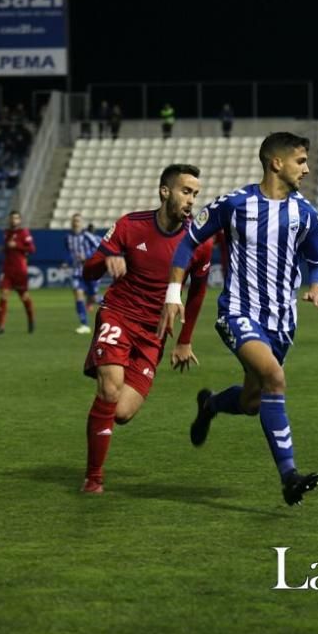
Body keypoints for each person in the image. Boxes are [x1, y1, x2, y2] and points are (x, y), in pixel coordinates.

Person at [157, 132, 318, 506]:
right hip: (238, 312)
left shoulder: (306, 213)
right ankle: (289, 476)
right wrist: (174, 293)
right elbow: (188, 242)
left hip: (283, 323)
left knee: (254, 401)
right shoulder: (235, 204)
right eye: (300, 161)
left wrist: (316, 287)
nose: (306, 168)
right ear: (276, 163)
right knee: (274, 377)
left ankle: (210, 406)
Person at [80, 164, 214, 494]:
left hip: (154, 333)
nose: (191, 200)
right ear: (164, 191)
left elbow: (198, 291)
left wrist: (184, 340)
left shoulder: (199, 242)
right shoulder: (130, 225)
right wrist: (106, 262)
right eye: (186, 191)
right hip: (118, 316)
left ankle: (100, 426)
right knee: (110, 389)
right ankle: (93, 478)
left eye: (195, 194)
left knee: (122, 412)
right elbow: (88, 272)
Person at [0, 211, 36, 335]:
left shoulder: (24, 233)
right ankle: (0, 326)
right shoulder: (6, 233)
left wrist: (16, 245)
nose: (13, 220)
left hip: (20, 271)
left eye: (16, 218)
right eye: (12, 218)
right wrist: (4, 248)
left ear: (20, 220)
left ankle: (31, 320)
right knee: (3, 296)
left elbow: (32, 249)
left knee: (24, 297)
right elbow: (8, 248)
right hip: (7, 270)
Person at [64, 213, 103, 334]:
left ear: (82, 223)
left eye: (78, 221)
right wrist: (66, 262)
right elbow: (68, 252)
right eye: (74, 221)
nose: (76, 223)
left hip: (90, 270)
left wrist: (86, 256)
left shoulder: (87, 236)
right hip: (77, 272)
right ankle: (84, 324)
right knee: (78, 293)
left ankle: (116, 308)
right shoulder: (67, 237)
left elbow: (100, 248)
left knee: (94, 298)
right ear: (71, 222)